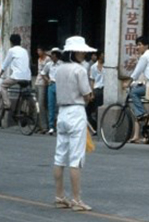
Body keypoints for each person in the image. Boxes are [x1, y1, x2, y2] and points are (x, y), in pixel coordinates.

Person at [53, 36, 96, 212]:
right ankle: (77, 199)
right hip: (76, 112)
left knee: (59, 156)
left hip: (62, 113)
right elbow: (87, 94)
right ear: (74, 52)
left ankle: (59, 196)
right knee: (76, 158)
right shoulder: (79, 70)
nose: (84, 53)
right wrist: (89, 97)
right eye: (81, 51)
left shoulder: (59, 69)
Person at [0, 34, 32, 109]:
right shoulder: (24, 50)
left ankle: (7, 104)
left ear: (11, 42)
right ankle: (21, 110)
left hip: (17, 76)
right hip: (27, 77)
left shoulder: (12, 50)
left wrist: (0, 74)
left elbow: (6, 63)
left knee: (3, 86)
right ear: (20, 42)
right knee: (23, 92)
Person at [41, 48, 62, 135]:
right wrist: (48, 80)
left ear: (56, 56)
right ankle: (51, 126)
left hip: (60, 85)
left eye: (53, 55)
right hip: (51, 84)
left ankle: (59, 125)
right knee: (51, 106)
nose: (51, 57)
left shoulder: (61, 64)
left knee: (60, 106)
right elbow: (43, 73)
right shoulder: (49, 64)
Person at [35, 46, 51, 132]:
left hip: (43, 83)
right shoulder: (39, 59)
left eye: (40, 50)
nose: (38, 52)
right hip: (37, 82)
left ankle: (44, 126)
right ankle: (39, 124)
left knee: (42, 104)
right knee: (37, 105)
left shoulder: (47, 59)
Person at [88, 51, 104, 126]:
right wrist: (92, 92)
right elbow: (92, 80)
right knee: (97, 109)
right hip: (97, 88)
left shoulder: (107, 66)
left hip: (104, 88)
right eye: (102, 55)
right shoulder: (93, 67)